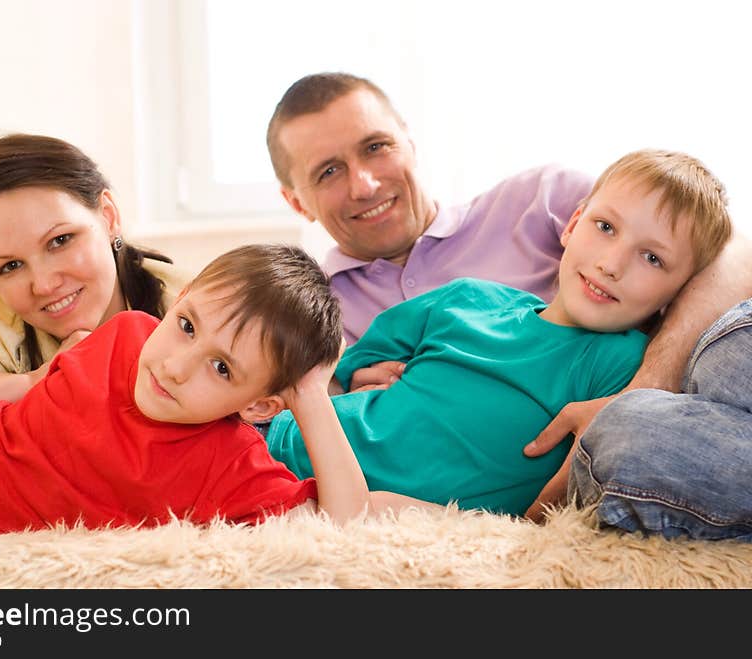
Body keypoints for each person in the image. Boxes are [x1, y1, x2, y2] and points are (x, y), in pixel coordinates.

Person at [266, 72, 752, 516]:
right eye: (328, 171)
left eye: (376, 146)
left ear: (409, 142)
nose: (365, 184)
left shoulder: (542, 198)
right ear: (294, 202)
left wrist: (639, 393)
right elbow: (284, 392)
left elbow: (728, 249)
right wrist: (340, 384)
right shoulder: (308, 302)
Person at [0, 244, 436, 533]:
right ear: (181, 296)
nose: (173, 367)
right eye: (187, 326)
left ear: (261, 402)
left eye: (221, 369)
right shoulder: (126, 332)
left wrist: (310, 393)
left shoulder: (230, 465)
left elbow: (350, 520)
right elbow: (20, 396)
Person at [0, 133, 194, 432]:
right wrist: (34, 382)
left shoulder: (194, 307)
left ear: (108, 217)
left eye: (60, 240)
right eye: (11, 266)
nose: (43, 285)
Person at [569, 296, 752, 541]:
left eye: (652, 259)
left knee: (627, 437)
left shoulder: (624, 355)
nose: (610, 267)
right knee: (730, 355)